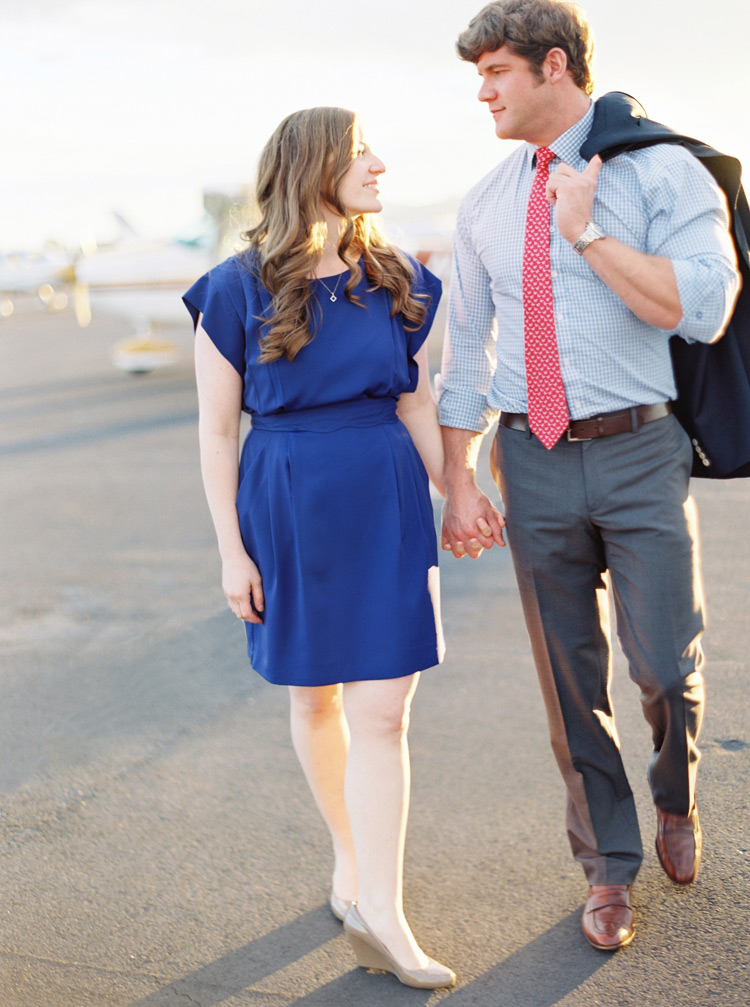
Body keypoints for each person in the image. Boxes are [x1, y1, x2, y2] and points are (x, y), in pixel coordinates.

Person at [438, 0, 740, 951]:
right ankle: (608, 866)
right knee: (569, 681)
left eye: (497, 73)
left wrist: (588, 234)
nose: (481, 92)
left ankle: (676, 795)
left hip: (641, 450)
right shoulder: (484, 200)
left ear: (555, 65)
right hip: (531, 455)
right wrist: (463, 477)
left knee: (661, 661)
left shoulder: (662, 169)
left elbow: (707, 307)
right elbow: (465, 354)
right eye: (477, 76)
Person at [183, 107, 455, 990]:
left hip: (384, 495)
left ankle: (385, 908)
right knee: (315, 703)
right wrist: (232, 550)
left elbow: (417, 403)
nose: (380, 163)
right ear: (311, 169)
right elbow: (218, 433)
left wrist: (461, 496)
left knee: (384, 710)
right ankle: (353, 861)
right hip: (287, 502)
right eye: (359, 151)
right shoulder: (232, 289)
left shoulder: (398, 276)